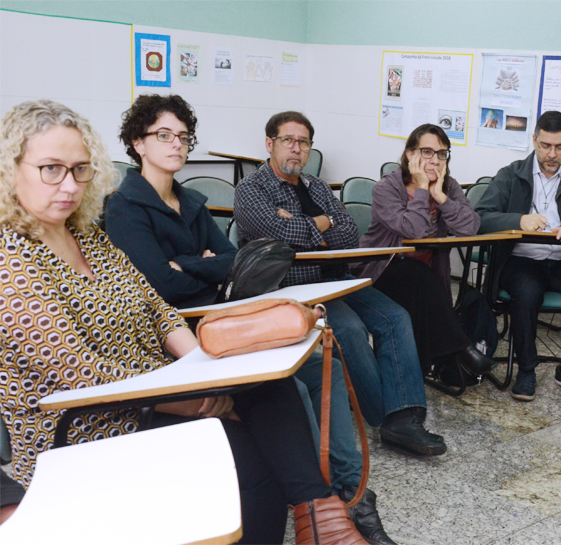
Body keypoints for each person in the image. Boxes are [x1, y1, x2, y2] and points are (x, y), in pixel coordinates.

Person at [0, 100, 366, 545]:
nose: (70, 184)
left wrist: (207, 372)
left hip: (157, 389)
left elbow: (157, 307)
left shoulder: (87, 236)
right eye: (51, 169)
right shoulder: (11, 260)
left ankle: (321, 519)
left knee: (272, 385)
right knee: (251, 464)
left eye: (80, 170)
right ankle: (322, 518)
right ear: (10, 168)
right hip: (89, 422)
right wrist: (196, 400)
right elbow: (81, 374)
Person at [102, 95, 394, 544]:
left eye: (183, 137)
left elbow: (233, 261)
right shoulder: (125, 207)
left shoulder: (192, 202)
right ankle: (315, 507)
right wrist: (199, 264)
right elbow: (160, 285)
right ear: (138, 143)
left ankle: (348, 495)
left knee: (325, 366)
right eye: (164, 136)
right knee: (291, 385)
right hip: (185, 330)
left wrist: (190, 263)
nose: (177, 145)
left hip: (228, 315)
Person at [234, 111, 445, 455]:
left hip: (337, 278)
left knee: (396, 317)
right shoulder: (251, 190)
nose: (296, 149)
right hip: (292, 286)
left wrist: (315, 224)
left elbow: (349, 235)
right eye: (288, 140)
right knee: (348, 329)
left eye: (303, 142)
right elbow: (277, 235)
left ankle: (406, 418)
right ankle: (383, 418)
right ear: (270, 144)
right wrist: (323, 224)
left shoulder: (316, 186)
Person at [475, 110, 561, 402]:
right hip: (520, 260)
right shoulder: (510, 174)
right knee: (526, 293)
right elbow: (481, 217)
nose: (552, 153)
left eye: (559, 147)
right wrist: (518, 220)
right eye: (545, 145)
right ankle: (526, 370)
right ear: (534, 140)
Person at [357, 124, 494, 379]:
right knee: (416, 275)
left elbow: (471, 228)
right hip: (380, 271)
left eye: (442, 154)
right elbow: (413, 231)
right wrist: (422, 190)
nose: (435, 160)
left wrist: (441, 198)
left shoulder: (448, 186)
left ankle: (418, 371)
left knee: (419, 282)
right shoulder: (387, 188)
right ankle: (461, 349)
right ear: (410, 155)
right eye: (427, 152)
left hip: (425, 278)